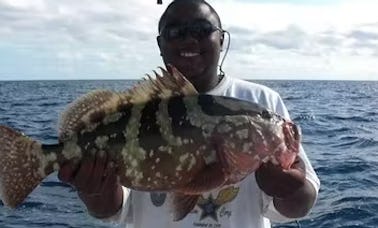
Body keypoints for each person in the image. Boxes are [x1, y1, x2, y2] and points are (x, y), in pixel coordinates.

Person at [58, 0, 320, 227]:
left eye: (202, 29)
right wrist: (93, 190)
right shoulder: (137, 109)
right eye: (175, 32)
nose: (188, 38)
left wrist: (290, 189)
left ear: (222, 38)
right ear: (160, 44)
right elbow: (109, 210)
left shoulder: (262, 100)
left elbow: (301, 204)